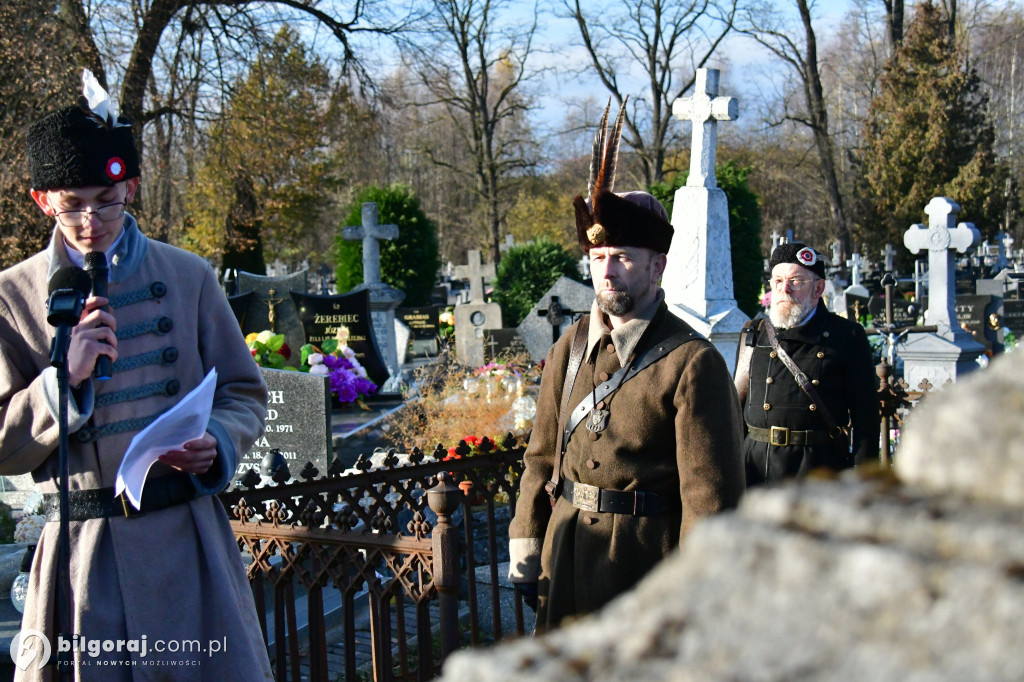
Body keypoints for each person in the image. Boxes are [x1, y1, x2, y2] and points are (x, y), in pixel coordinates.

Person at [0, 72, 272, 679]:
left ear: (132, 187)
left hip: (188, 543)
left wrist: (219, 442)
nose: (92, 218)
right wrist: (60, 383)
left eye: (107, 198)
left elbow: (243, 390)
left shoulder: (189, 276)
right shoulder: (11, 297)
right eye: (72, 204)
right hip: (81, 560)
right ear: (42, 200)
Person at [507, 101, 745, 631]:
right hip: (563, 557)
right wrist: (526, 553)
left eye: (622, 258)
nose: (606, 272)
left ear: (657, 266)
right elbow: (540, 457)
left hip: (646, 570)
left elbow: (709, 497)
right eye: (597, 259)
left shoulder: (692, 362)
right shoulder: (570, 347)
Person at [735, 242, 879, 485]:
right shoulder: (754, 333)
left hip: (817, 470)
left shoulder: (846, 335)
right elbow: (735, 404)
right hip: (756, 468)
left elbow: (866, 418)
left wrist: (864, 480)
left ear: (818, 288)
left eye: (796, 281)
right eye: (777, 281)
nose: (785, 290)